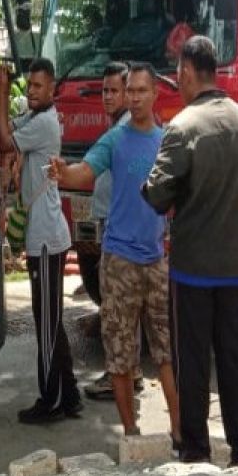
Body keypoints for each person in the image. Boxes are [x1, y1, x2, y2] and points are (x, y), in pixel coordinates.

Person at [143, 36, 238, 468]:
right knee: (236, 361)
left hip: (192, 272)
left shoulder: (182, 127)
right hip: (236, 268)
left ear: (184, 72)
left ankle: (196, 451)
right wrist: (235, 226)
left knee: (193, 364)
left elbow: (158, 196)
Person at [51, 63, 179, 439]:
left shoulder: (167, 140)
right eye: (131, 91)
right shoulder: (114, 140)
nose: (136, 97)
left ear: (155, 94)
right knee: (120, 355)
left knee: (167, 352)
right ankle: (131, 434)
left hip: (157, 261)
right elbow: (84, 172)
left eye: (142, 90)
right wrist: (63, 172)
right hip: (119, 262)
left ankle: (179, 432)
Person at [0, 59, 82, 424]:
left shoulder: (44, 123)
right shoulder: (35, 117)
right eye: (27, 85)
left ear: (52, 90)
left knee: (45, 322)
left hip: (47, 238)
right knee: (52, 319)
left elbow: (1, 139)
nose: (30, 91)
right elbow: (5, 131)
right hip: (44, 234)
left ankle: (50, 400)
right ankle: (71, 393)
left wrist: (0, 90)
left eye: (38, 86)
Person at [80, 62, 146, 401]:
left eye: (114, 90)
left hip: (120, 228)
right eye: (104, 90)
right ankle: (129, 371)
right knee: (120, 305)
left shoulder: (125, 132)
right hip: (112, 223)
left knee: (118, 307)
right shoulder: (118, 128)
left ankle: (119, 374)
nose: (107, 96)